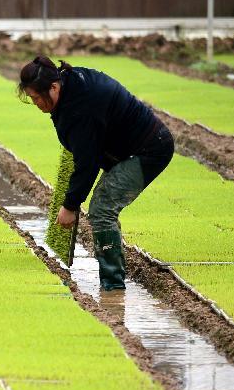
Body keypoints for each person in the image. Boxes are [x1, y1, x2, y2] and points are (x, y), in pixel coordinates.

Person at [18, 56, 174, 291]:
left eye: (38, 97)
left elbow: (87, 162)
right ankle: (113, 276)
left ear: (53, 87)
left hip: (149, 149)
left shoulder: (82, 107)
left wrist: (70, 205)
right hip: (124, 148)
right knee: (102, 204)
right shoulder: (69, 84)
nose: (37, 103)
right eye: (32, 99)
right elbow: (78, 147)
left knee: (101, 208)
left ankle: (113, 287)